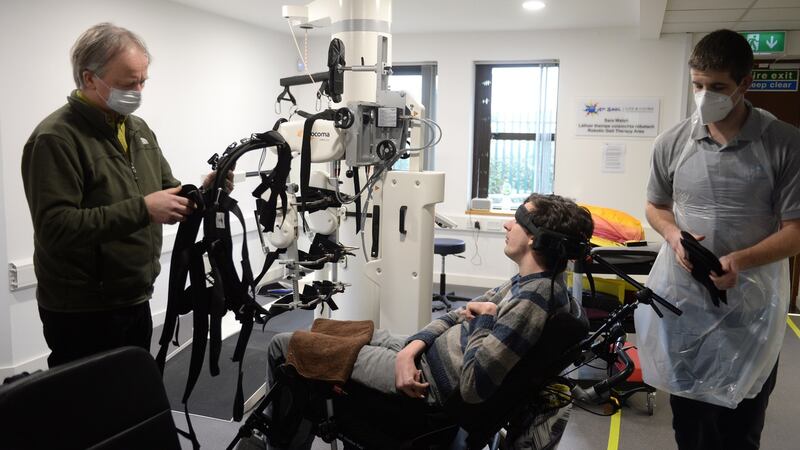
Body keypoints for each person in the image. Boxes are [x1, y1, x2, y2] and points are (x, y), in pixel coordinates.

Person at [263, 193, 594, 449]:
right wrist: (410, 350)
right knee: (323, 329)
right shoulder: (529, 283)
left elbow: (473, 386)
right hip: (422, 355)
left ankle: (275, 443)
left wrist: (482, 320)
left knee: (285, 346)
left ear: (538, 239)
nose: (508, 225)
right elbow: (458, 314)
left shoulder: (531, 302)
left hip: (430, 380)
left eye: (519, 219)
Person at [21, 23, 230, 368]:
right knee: (90, 399)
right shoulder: (55, 138)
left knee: (132, 391)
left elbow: (167, 190)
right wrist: (144, 210)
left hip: (134, 295)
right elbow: (55, 227)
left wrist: (206, 190)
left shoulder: (138, 129)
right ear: (90, 78)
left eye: (143, 81)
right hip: (82, 309)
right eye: (128, 83)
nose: (138, 91)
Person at [635, 29, 800, 450]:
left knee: (740, 427)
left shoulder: (784, 144)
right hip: (686, 305)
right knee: (690, 426)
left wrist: (740, 261)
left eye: (718, 87)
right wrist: (674, 235)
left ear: (745, 84)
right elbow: (655, 206)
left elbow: (796, 232)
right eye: (698, 85)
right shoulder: (672, 142)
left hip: (752, 310)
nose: (705, 96)